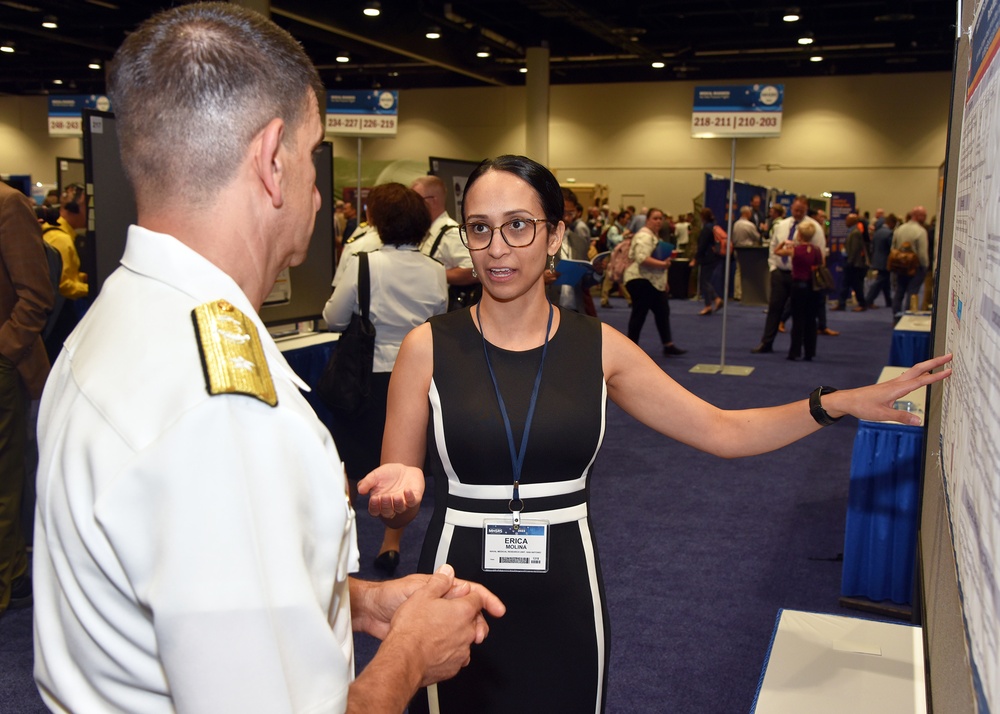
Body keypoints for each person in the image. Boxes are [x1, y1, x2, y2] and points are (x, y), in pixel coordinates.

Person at [32, 5, 503, 712]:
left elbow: (197, 597)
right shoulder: (223, 414)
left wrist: (359, 604)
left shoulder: (114, 325)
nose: (318, 193)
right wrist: (407, 656)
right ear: (272, 159)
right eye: (314, 155)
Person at [367, 153, 953, 714]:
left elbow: (723, 431)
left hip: (566, 587)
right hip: (453, 585)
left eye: (518, 226)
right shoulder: (427, 346)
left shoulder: (598, 348)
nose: (497, 248)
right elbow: (401, 488)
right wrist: (400, 497)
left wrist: (836, 403)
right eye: (480, 228)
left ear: (553, 236)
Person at [323, 182, 448, 575]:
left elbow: (333, 318)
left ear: (377, 222)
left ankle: (342, 538)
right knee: (400, 463)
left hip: (366, 377)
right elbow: (438, 321)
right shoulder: (437, 271)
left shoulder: (364, 262)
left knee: (347, 459)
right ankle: (390, 541)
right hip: (417, 379)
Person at [1, 180, 54, 617]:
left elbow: (36, 294)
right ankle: (16, 575)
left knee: (5, 481)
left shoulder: (8, 204)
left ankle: (7, 583)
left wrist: (4, 351)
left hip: (6, 364)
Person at [623, 207, 686, 356]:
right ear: (648, 220)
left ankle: (668, 344)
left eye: (660, 218)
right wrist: (663, 265)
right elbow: (642, 259)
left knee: (662, 311)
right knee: (640, 313)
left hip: (653, 280)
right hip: (640, 279)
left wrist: (664, 279)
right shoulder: (644, 236)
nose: (658, 221)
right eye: (655, 218)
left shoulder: (654, 236)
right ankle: (630, 348)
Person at [412, 175, 480, 311]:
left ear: (433, 201)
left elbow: (474, 270)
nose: (412, 205)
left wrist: (431, 272)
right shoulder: (429, 233)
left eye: (416, 200)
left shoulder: (451, 233)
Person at [775, 221, 823, 360]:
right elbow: (821, 265)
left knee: (798, 321)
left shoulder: (795, 250)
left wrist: (784, 242)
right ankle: (809, 352)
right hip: (812, 288)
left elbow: (776, 252)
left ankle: (794, 352)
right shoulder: (816, 250)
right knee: (811, 320)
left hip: (798, 287)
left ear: (800, 234)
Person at [693, 207, 724, 316]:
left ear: (702, 217)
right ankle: (710, 303)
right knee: (706, 280)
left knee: (704, 281)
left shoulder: (706, 229)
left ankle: (713, 301)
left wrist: (696, 258)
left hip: (707, 258)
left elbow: (702, 245)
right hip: (715, 256)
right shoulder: (714, 227)